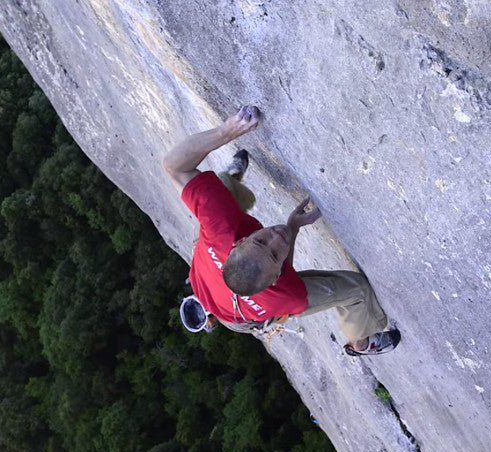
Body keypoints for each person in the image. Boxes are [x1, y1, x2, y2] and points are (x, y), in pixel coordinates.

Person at [163, 105, 400, 355]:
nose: (276, 237)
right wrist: (293, 228)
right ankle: (361, 343)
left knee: (214, 193)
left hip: (210, 278)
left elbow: (174, 167)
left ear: (238, 243)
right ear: (277, 276)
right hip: (241, 316)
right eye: (276, 254)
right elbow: (286, 270)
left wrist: (227, 131)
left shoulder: (219, 228)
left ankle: (230, 182)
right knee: (356, 289)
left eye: (260, 241)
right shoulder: (287, 295)